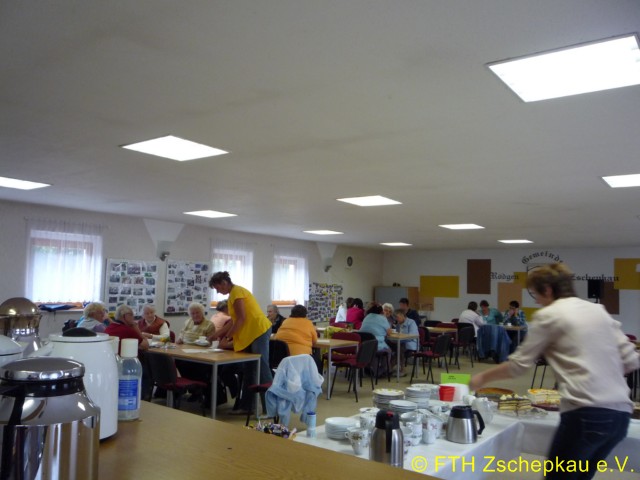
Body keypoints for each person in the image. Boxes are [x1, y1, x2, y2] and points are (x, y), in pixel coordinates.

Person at [470, 263, 639, 480]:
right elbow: (631, 360)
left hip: (586, 413)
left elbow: (518, 366)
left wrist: (482, 377)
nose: (537, 301)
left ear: (548, 289)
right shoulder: (598, 310)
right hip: (621, 415)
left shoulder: (550, 315)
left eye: (535, 294)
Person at [209, 271, 273, 416]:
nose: (217, 292)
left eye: (217, 288)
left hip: (258, 331)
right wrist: (216, 335)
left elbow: (241, 319)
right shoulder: (232, 295)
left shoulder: (237, 292)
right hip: (251, 333)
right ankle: (247, 407)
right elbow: (233, 320)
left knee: (261, 368)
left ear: (224, 283)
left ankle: (270, 408)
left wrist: (227, 338)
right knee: (249, 369)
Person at [387, 309, 418, 376]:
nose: (396, 319)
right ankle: (388, 367)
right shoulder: (398, 324)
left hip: (411, 343)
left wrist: (399, 340)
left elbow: (412, 336)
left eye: (397, 317)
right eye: (395, 317)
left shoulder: (411, 322)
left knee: (400, 347)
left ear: (402, 315)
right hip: (400, 342)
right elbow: (398, 334)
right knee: (388, 344)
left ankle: (400, 369)